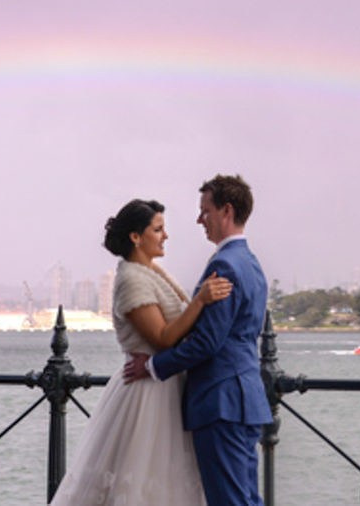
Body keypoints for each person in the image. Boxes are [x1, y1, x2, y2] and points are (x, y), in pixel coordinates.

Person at [49, 198, 232, 506]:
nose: (165, 236)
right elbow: (163, 338)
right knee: (141, 478)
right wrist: (200, 301)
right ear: (136, 236)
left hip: (165, 385)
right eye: (158, 230)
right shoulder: (132, 280)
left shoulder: (150, 272)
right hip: (147, 392)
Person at [125, 174, 269, 506]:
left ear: (227, 211)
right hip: (246, 398)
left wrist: (153, 366)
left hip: (221, 402)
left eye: (205, 211)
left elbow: (207, 342)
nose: (199, 220)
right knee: (247, 500)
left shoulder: (225, 264)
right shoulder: (251, 262)